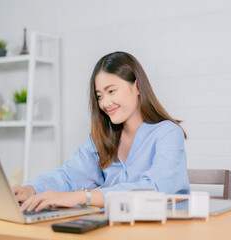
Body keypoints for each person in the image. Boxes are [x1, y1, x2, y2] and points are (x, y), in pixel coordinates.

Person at [14, 51, 190, 212]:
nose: (105, 103)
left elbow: (156, 188)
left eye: (111, 91)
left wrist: (84, 196)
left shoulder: (168, 133)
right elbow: (69, 175)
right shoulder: (104, 138)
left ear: (137, 87)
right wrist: (30, 190)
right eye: (99, 96)